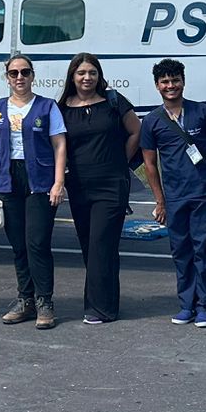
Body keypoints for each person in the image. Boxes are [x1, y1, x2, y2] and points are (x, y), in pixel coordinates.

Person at [139, 59, 206, 328]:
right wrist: (160, 201)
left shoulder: (201, 112)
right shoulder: (151, 121)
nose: (170, 85)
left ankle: (205, 306)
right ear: (157, 86)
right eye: (165, 81)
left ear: (183, 81)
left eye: (175, 80)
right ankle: (186, 305)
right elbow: (150, 164)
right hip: (175, 196)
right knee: (181, 251)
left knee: (203, 249)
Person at [0, 54, 68, 328]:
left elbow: (59, 145)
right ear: (7, 77)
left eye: (25, 72)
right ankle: (25, 300)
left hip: (39, 180)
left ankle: (45, 301)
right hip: (7, 180)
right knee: (19, 245)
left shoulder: (47, 106)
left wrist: (58, 182)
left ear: (32, 76)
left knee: (37, 243)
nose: (19, 77)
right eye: (14, 73)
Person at [59, 52, 140, 324]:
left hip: (111, 185)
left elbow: (136, 131)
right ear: (72, 76)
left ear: (99, 75)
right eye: (81, 73)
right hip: (79, 186)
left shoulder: (113, 102)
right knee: (89, 245)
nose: (87, 78)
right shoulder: (62, 108)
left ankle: (99, 309)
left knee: (101, 245)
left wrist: (121, 161)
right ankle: (108, 301)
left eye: (92, 73)